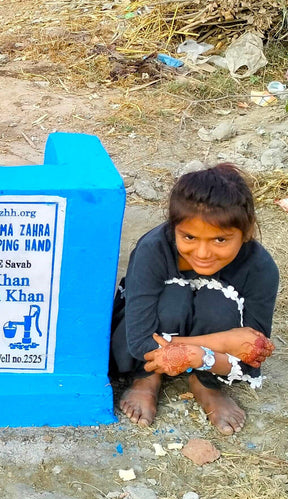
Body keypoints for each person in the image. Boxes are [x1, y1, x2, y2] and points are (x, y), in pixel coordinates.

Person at [111, 163, 278, 434]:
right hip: (155, 332)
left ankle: (205, 384)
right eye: (189, 237)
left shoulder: (261, 268)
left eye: (220, 240)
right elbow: (139, 342)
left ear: (246, 232)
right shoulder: (152, 250)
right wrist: (223, 343)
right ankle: (147, 377)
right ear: (173, 228)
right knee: (174, 298)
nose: (202, 253)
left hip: (200, 348)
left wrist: (201, 358)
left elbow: (252, 352)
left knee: (219, 304)